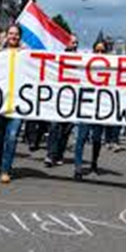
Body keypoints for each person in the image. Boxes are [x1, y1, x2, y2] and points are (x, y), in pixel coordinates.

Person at [0, 25, 24, 184]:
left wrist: (26, 53)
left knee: (11, 138)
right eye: (11, 33)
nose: (13, 36)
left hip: (17, 104)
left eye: (16, 34)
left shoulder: (26, 54)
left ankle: (6, 169)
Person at [73, 41, 109, 181]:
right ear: (93, 51)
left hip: (101, 110)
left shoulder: (110, 67)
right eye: (97, 50)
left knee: (96, 140)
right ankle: (78, 167)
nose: (99, 53)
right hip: (86, 108)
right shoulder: (86, 65)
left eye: (102, 51)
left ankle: (94, 161)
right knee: (81, 138)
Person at [44, 35, 79, 167]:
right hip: (56, 99)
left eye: (76, 43)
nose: (74, 45)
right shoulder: (56, 58)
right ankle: (50, 155)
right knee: (54, 127)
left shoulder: (80, 60)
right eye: (72, 42)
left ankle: (59, 154)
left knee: (66, 130)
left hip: (71, 101)